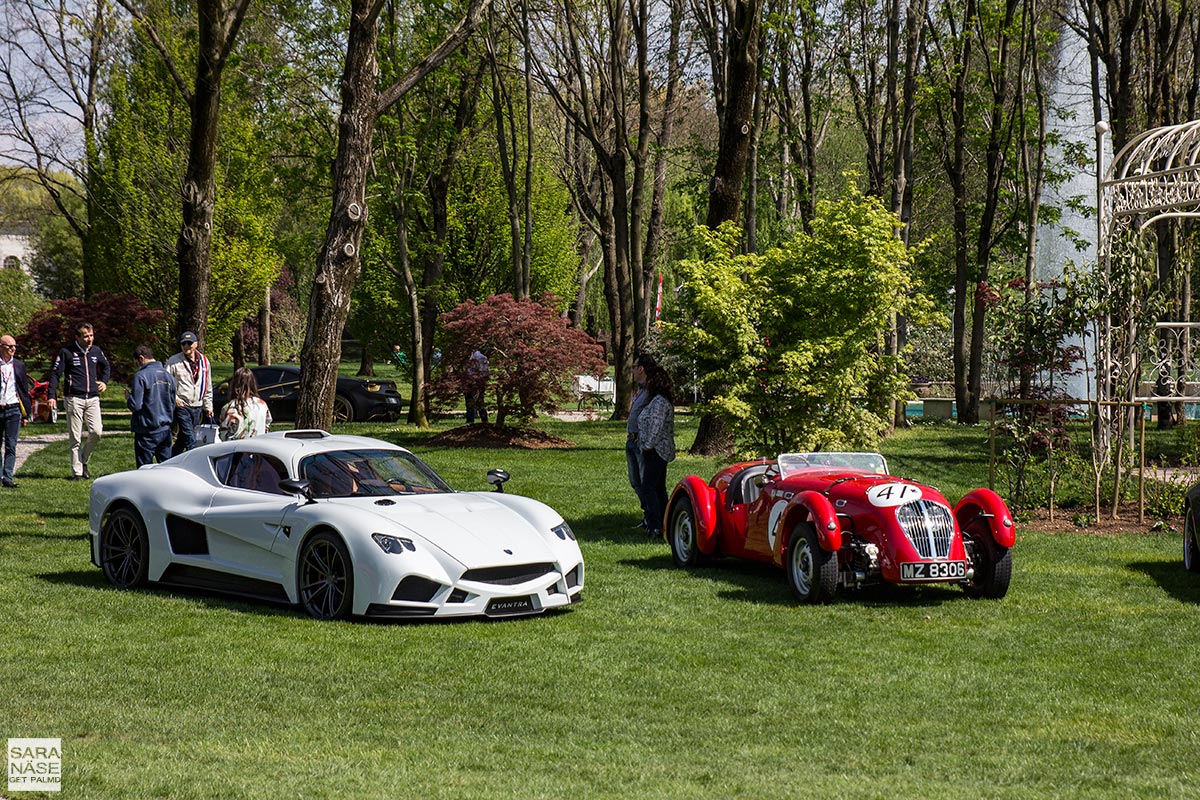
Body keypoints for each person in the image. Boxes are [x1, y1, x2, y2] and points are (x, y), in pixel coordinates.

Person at [49, 321, 110, 480]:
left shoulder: (96, 351)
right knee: (75, 438)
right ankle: (77, 473)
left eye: (91, 335)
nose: (90, 339)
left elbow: (106, 366)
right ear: (77, 337)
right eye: (86, 336)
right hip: (73, 398)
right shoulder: (66, 352)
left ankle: (83, 461)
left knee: (96, 432)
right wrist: (51, 395)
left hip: (93, 398)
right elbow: (55, 374)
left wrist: (104, 381)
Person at [637, 364, 676, 541]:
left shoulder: (659, 401)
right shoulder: (655, 400)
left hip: (657, 450)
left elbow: (656, 426)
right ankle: (665, 523)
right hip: (654, 449)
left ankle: (655, 525)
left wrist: (647, 445)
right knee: (658, 488)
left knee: (649, 488)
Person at [126, 344, 176, 467]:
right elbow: (172, 401)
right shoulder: (167, 375)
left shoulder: (141, 376)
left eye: (137, 362)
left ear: (141, 358)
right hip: (165, 429)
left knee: (144, 468)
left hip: (146, 430)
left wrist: (128, 398)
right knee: (166, 467)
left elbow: (136, 405)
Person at [165, 331, 213, 455]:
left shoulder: (204, 361)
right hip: (182, 405)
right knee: (190, 438)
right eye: (183, 343)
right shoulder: (174, 361)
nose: (186, 346)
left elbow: (207, 385)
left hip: (197, 405)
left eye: (189, 343)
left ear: (196, 344)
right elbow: (166, 384)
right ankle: (195, 460)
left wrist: (208, 407)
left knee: (183, 438)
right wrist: (175, 399)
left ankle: (171, 458)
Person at [626, 353, 657, 529]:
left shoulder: (652, 391)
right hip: (631, 439)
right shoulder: (640, 389)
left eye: (634, 366)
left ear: (641, 369)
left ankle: (653, 519)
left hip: (640, 441)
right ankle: (647, 515)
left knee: (646, 482)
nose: (632, 370)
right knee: (635, 481)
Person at [0, 335, 32, 488]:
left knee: (11, 445)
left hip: (13, 409)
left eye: (14, 346)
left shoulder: (19, 365)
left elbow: (24, 391)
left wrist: (27, 414)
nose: (13, 349)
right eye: (9, 346)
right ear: (1, 346)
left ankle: (7, 478)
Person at [218, 367, 273, 440]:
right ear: (253, 383)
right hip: (259, 447)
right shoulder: (262, 405)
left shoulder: (229, 407)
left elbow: (223, 434)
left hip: (235, 448)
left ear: (234, 384)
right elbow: (267, 425)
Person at [465, 348, 490, 424]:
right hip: (470, 381)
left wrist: (477, 380)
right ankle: (470, 420)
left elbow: (483, 372)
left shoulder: (480, 357)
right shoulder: (470, 357)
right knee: (470, 400)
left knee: (479, 400)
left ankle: (483, 420)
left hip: (477, 382)